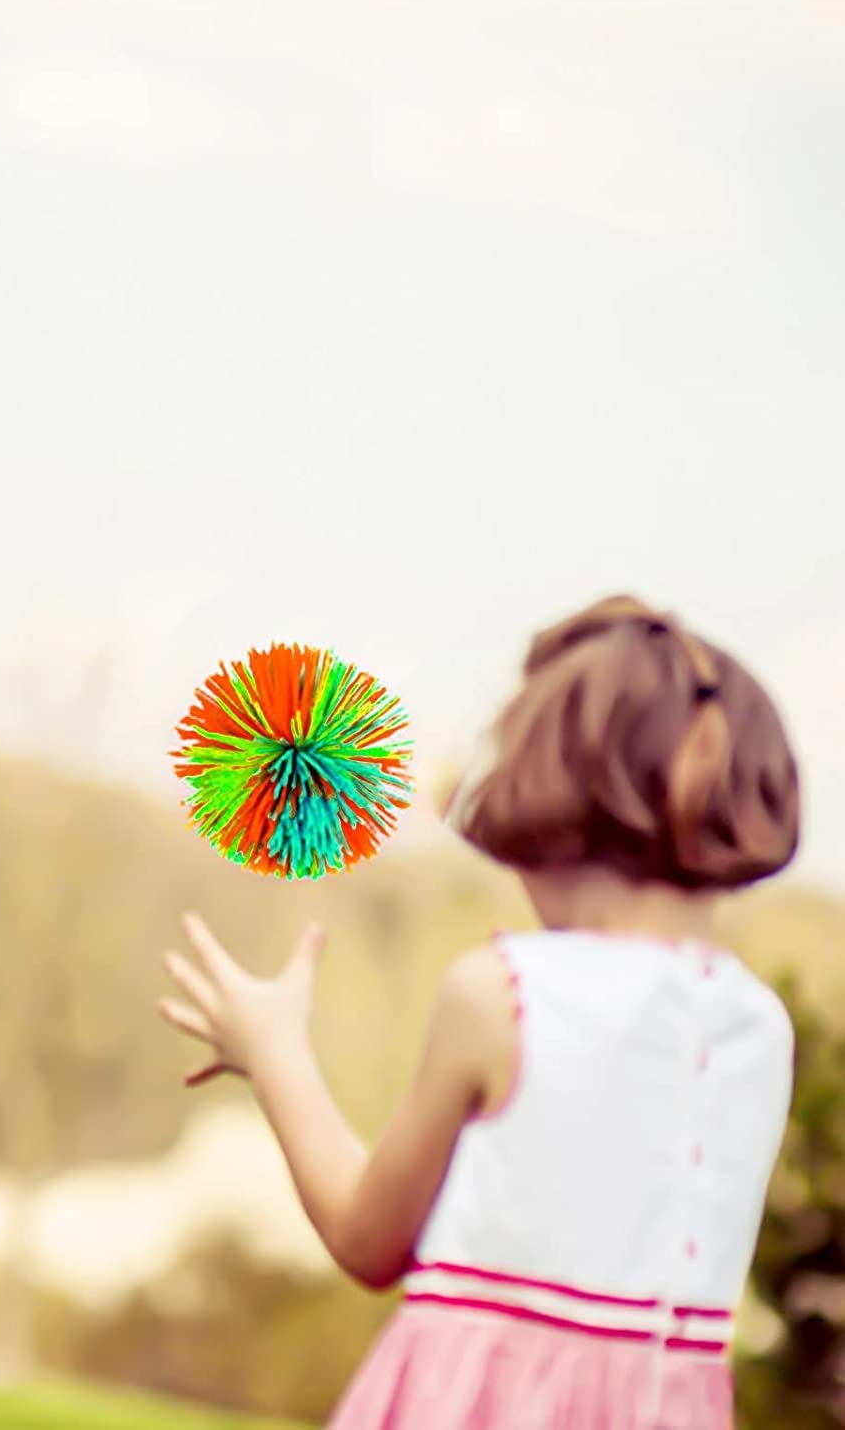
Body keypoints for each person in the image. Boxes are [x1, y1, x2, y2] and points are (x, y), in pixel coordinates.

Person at [159, 596, 800, 1427]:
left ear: (547, 802)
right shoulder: (759, 1029)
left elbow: (369, 1238)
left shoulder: (503, 994)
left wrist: (273, 1047)